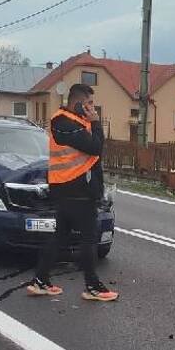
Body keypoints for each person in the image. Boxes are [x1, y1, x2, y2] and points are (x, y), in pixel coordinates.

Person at [27, 83, 119, 301]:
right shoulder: (64, 122)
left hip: (69, 188)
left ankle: (40, 280)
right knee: (88, 239)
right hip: (77, 190)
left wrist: (91, 122)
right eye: (89, 104)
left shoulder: (74, 122)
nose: (92, 109)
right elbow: (96, 147)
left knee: (61, 236)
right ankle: (92, 287)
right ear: (77, 104)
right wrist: (96, 122)